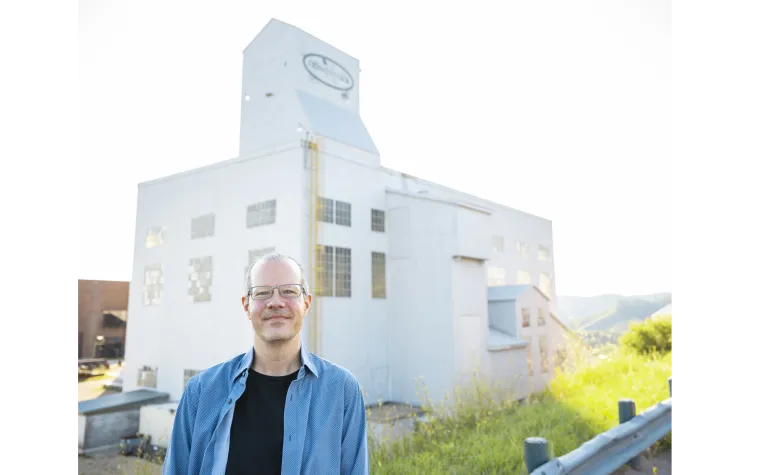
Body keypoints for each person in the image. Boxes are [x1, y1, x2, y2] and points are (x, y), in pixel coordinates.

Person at [163, 252, 369, 474]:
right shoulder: (201, 392)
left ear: (306, 303)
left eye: (289, 291)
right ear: (246, 306)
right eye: (262, 293)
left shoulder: (342, 391)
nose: (275, 302)